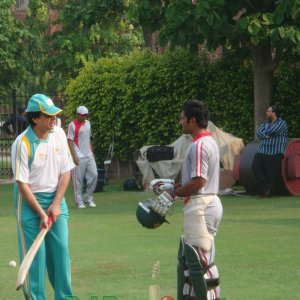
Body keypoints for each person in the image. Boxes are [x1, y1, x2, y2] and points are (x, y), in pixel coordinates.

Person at [152, 100, 223, 299]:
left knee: (199, 262)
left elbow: (199, 181)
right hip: (206, 203)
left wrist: (174, 193)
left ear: (193, 120)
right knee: (188, 258)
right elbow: (195, 181)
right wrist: (174, 186)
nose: (180, 121)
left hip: (201, 205)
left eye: (183, 118)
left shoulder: (199, 146)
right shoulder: (208, 142)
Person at [11, 94, 75, 299]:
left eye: (54, 114)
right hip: (30, 203)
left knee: (61, 252)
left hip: (56, 200)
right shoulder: (22, 144)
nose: (53, 118)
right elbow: (22, 184)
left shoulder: (57, 134)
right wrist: (40, 213)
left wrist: (56, 204)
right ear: (35, 119)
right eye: (48, 115)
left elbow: (66, 171)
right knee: (36, 259)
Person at [252, 105, 288, 197]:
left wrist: (266, 134)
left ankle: (266, 192)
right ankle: (265, 187)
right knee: (255, 167)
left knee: (269, 174)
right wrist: (267, 135)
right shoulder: (265, 123)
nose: (266, 113)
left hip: (274, 152)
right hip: (262, 150)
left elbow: (273, 131)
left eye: (268, 111)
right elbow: (259, 133)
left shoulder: (282, 123)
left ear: (274, 113)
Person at [67, 105, 98, 208]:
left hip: (89, 154)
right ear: (78, 114)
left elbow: (89, 138)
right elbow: (70, 141)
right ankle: (79, 202)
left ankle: (88, 198)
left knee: (94, 175)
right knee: (78, 180)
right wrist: (74, 156)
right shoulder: (72, 125)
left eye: (85, 115)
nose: (84, 117)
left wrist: (91, 150)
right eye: (82, 115)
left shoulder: (88, 123)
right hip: (78, 155)